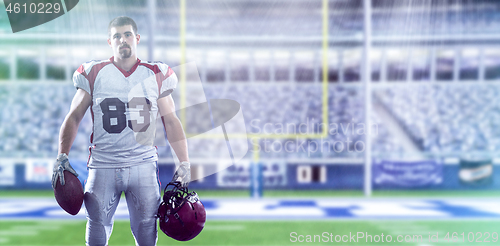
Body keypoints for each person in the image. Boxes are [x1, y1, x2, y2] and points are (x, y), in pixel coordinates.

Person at [51, 16, 191, 246]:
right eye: (117, 36)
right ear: (110, 42)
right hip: (103, 164)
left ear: (136, 38)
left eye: (127, 35)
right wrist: (62, 155)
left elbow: (171, 121)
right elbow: (74, 116)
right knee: (96, 231)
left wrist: (184, 162)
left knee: (147, 232)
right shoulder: (94, 72)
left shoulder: (155, 73)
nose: (122, 40)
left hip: (143, 163)